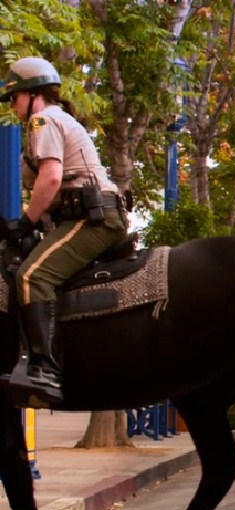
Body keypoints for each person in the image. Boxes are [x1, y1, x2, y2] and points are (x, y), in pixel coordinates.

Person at [1, 57, 129, 405]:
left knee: (32, 277)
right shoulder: (60, 119)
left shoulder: (43, 120)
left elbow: (52, 177)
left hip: (92, 220)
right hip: (83, 217)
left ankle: (45, 370)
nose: (12, 107)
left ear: (32, 95)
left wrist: (25, 221)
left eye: (13, 98)